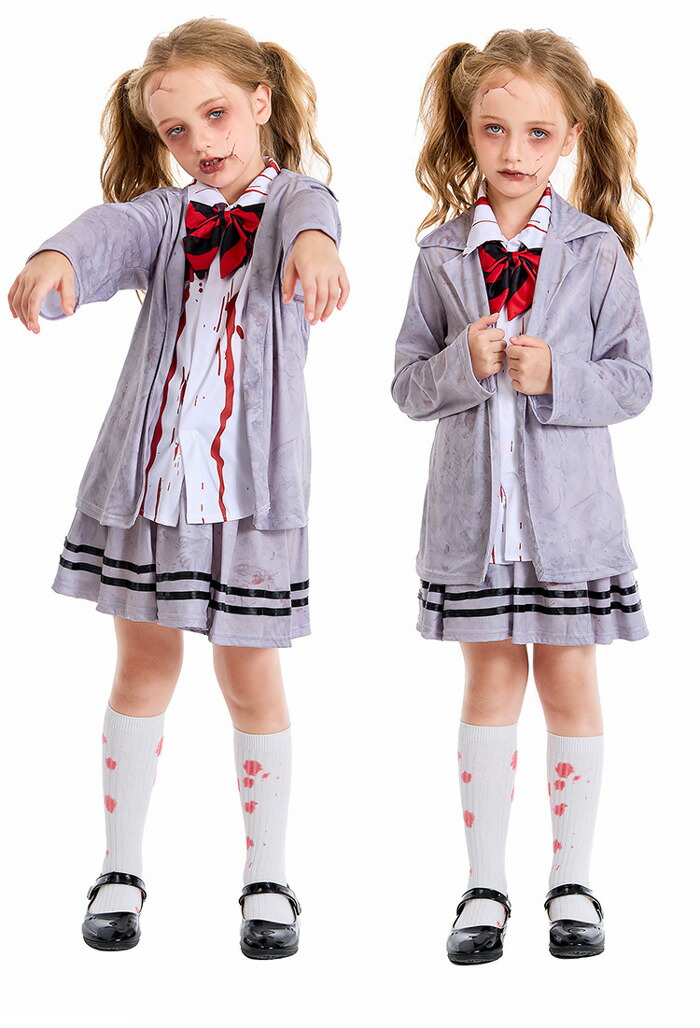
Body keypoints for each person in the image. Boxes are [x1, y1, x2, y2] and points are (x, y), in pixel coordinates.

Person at [8, 17, 348, 958]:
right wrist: (58, 258)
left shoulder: (297, 202)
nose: (202, 141)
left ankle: (267, 876)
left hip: (250, 500)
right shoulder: (166, 215)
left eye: (217, 114)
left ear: (261, 103)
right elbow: (111, 230)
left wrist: (317, 252)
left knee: (250, 676)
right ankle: (119, 867)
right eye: (178, 130)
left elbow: (315, 219)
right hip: (151, 486)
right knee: (142, 666)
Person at [391, 28, 651, 963]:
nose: (514, 152)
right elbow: (406, 385)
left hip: (570, 528)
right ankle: (484, 884)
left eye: (537, 133)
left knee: (571, 683)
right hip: (477, 528)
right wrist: (462, 365)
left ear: (571, 135)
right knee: (491, 683)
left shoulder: (597, 253)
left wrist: (559, 376)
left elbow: (635, 381)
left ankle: (572, 881)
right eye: (494, 129)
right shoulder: (439, 254)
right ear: (467, 130)